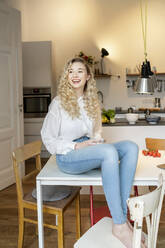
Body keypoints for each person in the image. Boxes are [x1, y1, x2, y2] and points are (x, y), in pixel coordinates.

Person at [41, 57, 141, 248]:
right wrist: (77, 146)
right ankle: (120, 225)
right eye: (70, 71)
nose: (75, 75)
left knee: (130, 147)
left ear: (88, 76)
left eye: (79, 71)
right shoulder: (58, 103)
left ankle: (121, 219)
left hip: (87, 148)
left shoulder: (92, 101)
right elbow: (48, 139)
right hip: (68, 155)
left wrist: (97, 142)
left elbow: (96, 132)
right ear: (66, 76)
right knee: (109, 152)